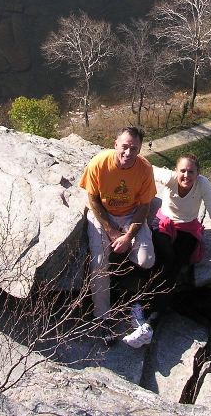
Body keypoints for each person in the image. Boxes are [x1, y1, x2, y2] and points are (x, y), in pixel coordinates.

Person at [122, 153, 211, 348]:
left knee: (175, 266)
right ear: (175, 171)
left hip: (187, 228)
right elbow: (146, 166)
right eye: (182, 171)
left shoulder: (203, 185)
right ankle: (143, 312)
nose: (186, 175)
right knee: (165, 259)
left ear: (198, 173)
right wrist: (128, 155)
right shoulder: (169, 178)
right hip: (164, 223)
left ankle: (148, 323)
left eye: (191, 172)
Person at [79, 126, 157, 332]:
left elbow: (144, 206)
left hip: (131, 214)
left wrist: (129, 235)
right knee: (99, 263)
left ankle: (130, 298)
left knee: (146, 260)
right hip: (103, 213)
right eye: (125, 147)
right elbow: (93, 199)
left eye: (134, 148)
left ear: (140, 150)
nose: (128, 153)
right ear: (115, 145)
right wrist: (112, 232)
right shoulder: (99, 163)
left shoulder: (144, 169)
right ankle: (102, 316)